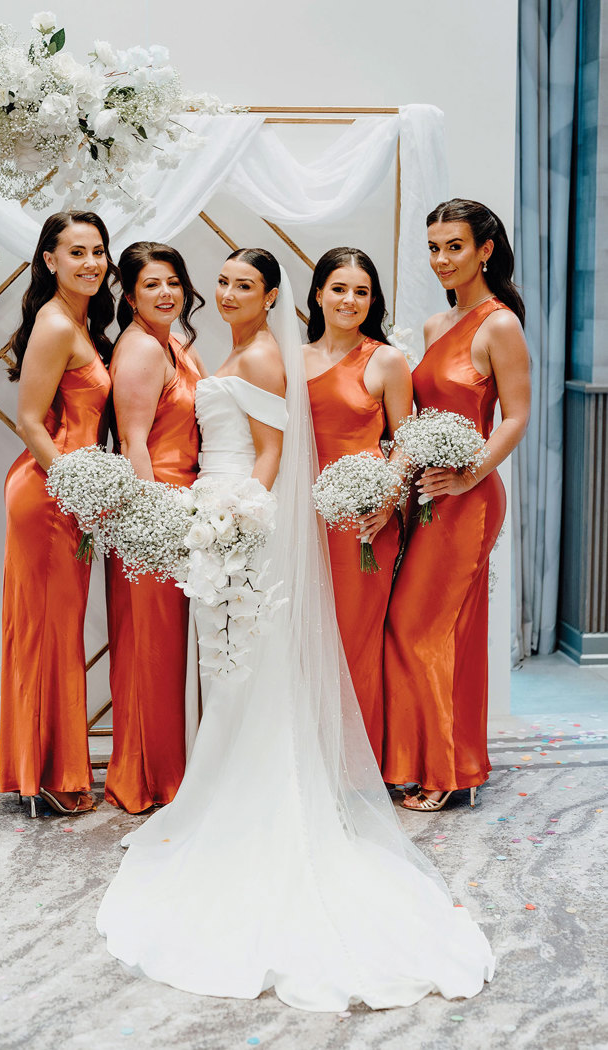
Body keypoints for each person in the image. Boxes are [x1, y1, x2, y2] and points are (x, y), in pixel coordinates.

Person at [97, 249, 494, 1011]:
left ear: (274, 295)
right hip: (247, 514)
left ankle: (297, 783)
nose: (225, 291)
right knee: (248, 662)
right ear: (313, 296)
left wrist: (236, 516)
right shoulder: (239, 347)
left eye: (243, 284)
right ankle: (233, 779)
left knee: (274, 657)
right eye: (221, 281)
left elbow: (278, 447)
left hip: (247, 515)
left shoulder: (276, 352)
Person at [382, 198, 531, 811]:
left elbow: (516, 416)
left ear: (485, 250)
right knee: (433, 630)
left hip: (468, 499)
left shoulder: (499, 324)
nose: (442, 259)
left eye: (455, 247)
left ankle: (443, 773)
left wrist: (469, 476)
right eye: (435, 248)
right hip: (426, 494)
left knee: (418, 629)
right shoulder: (433, 327)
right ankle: (443, 761)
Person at [0, 211, 118, 817]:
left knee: (57, 630)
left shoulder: (78, 320)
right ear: (49, 259)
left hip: (67, 491)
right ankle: (51, 775)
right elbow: (28, 421)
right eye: (77, 252)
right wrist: (78, 486)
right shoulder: (53, 325)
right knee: (48, 632)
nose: (91, 262)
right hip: (49, 494)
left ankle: (46, 767)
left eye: (98, 250)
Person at [104, 242, 205, 813]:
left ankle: (172, 767)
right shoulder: (141, 348)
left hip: (184, 506)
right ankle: (148, 778)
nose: (166, 293)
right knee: (150, 649)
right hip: (155, 514)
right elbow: (132, 441)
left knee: (169, 651)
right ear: (131, 295)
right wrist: (152, 520)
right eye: (151, 286)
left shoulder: (175, 342)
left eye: (173, 281)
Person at [304, 247, 412, 762]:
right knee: (305, 641)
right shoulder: (291, 359)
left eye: (362, 291)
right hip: (303, 521)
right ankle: (309, 762)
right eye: (340, 288)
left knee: (354, 643)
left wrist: (389, 501)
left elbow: (405, 440)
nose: (350, 300)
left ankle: (354, 768)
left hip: (362, 524)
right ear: (319, 293)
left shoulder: (385, 359)